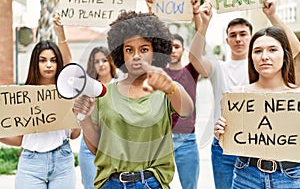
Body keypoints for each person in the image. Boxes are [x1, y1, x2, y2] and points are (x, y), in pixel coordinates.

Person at [72, 11, 194, 189]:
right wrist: (84, 118)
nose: (136, 56)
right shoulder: (104, 93)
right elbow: (97, 149)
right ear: (121, 54)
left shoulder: (166, 89)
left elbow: (187, 110)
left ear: (155, 53)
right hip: (111, 183)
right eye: (129, 50)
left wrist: (169, 87)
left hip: (151, 183)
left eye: (144, 49)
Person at [191, 0, 300, 188]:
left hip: (286, 168)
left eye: (243, 34)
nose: (264, 57)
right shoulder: (221, 69)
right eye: (233, 35)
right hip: (236, 156)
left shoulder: (293, 88)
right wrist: (203, 23)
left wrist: (272, 14)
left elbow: (295, 49)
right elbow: (195, 58)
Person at [0, 14, 81, 188]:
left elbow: (75, 134)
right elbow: (19, 139)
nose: (49, 65)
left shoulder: (66, 91)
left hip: (63, 160)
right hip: (31, 163)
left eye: (53, 60)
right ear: (35, 64)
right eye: (42, 60)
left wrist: (60, 33)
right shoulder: (24, 96)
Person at [214, 26, 300, 188]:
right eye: (258, 51)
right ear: (251, 57)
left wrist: (271, 13)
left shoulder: (298, 97)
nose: (264, 57)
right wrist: (222, 134)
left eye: (272, 49)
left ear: (285, 55)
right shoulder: (238, 96)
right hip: (246, 176)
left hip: (291, 176)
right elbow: (233, 141)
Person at [145, 0, 211, 188]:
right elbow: (151, 42)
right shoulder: (157, 72)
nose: (173, 50)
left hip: (187, 140)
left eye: (176, 46)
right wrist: (151, 12)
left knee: (189, 185)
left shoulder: (191, 71)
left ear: (183, 50)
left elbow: (200, 40)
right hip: (160, 139)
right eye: (169, 47)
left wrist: (196, 14)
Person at [79, 46, 119, 189]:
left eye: (104, 60)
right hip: (88, 147)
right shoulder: (87, 88)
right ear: (92, 65)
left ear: (110, 62)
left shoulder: (121, 86)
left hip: (113, 146)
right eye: (97, 61)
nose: (101, 64)